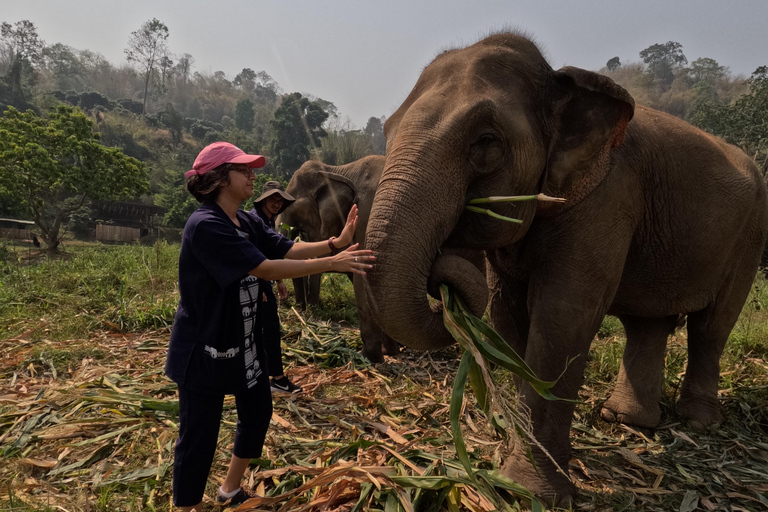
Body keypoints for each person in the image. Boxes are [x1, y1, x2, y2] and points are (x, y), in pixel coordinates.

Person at [165, 141, 372, 512]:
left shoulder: (246, 221)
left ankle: (229, 489)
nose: (252, 175)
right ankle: (187, 507)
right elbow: (265, 269)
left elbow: (284, 250)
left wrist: (333, 244)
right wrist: (332, 263)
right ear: (218, 178)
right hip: (204, 348)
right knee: (198, 435)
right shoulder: (206, 225)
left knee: (258, 413)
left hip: (244, 343)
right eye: (243, 169)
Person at [248, 181, 301, 394]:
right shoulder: (253, 220)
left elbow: (272, 252)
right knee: (269, 329)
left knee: (260, 330)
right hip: (255, 283)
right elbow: (251, 258)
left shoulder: (268, 221)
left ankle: (258, 374)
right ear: (263, 200)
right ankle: (277, 379)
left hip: (264, 281)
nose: (277, 204)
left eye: (280, 200)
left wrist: (278, 281)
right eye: (273, 199)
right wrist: (259, 287)